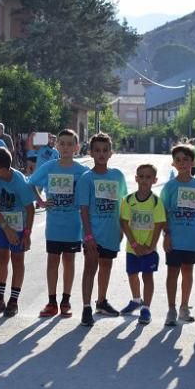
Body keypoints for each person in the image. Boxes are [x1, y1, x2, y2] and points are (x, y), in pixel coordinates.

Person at [29, 129, 89, 318]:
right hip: (54, 225)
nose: (65, 147)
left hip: (73, 225)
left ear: (76, 147)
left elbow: (89, 195)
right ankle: (51, 301)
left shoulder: (82, 171)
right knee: (53, 261)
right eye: (62, 143)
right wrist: (41, 201)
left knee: (69, 261)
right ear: (56, 146)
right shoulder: (49, 167)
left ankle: (66, 300)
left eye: (70, 144)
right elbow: (31, 183)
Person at [75, 132, 128, 325]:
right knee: (90, 268)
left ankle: (101, 301)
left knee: (106, 266)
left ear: (111, 152)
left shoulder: (117, 176)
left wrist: (122, 229)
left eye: (105, 150)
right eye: (97, 150)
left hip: (112, 233)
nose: (101, 154)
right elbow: (83, 209)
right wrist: (88, 235)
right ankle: (87, 308)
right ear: (90, 152)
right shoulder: (86, 178)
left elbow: (124, 204)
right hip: (93, 234)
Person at [161, 143, 195, 326]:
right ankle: (171, 309)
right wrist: (167, 234)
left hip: (192, 239)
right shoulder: (170, 187)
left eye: (186, 160)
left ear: (193, 162)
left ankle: (184, 306)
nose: (182, 163)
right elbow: (163, 212)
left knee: (188, 272)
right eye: (178, 160)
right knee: (173, 272)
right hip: (175, 237)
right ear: (173, 163)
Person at [0, 147, 35, 317]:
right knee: (1, 258)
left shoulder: (20, 182)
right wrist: (6, 228)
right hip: (2, 222)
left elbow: (30, 209)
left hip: (20, 224)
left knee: (17, 260)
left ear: (4, 170)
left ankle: (13, 300)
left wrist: (27, 234)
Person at [119, 163, 166, 325]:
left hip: (149, 249)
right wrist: (133, 243)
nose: (144, 180)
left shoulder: (156, 202)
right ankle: (136, 300)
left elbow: (159, 224)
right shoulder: (128, 200)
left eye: (148, 177)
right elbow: (124, 222)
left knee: (148, 276)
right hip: (132, 248)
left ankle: (146, 308)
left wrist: (151, 246)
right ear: (136, 178)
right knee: (132, 274)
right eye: (141, 176)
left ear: (154, 180)